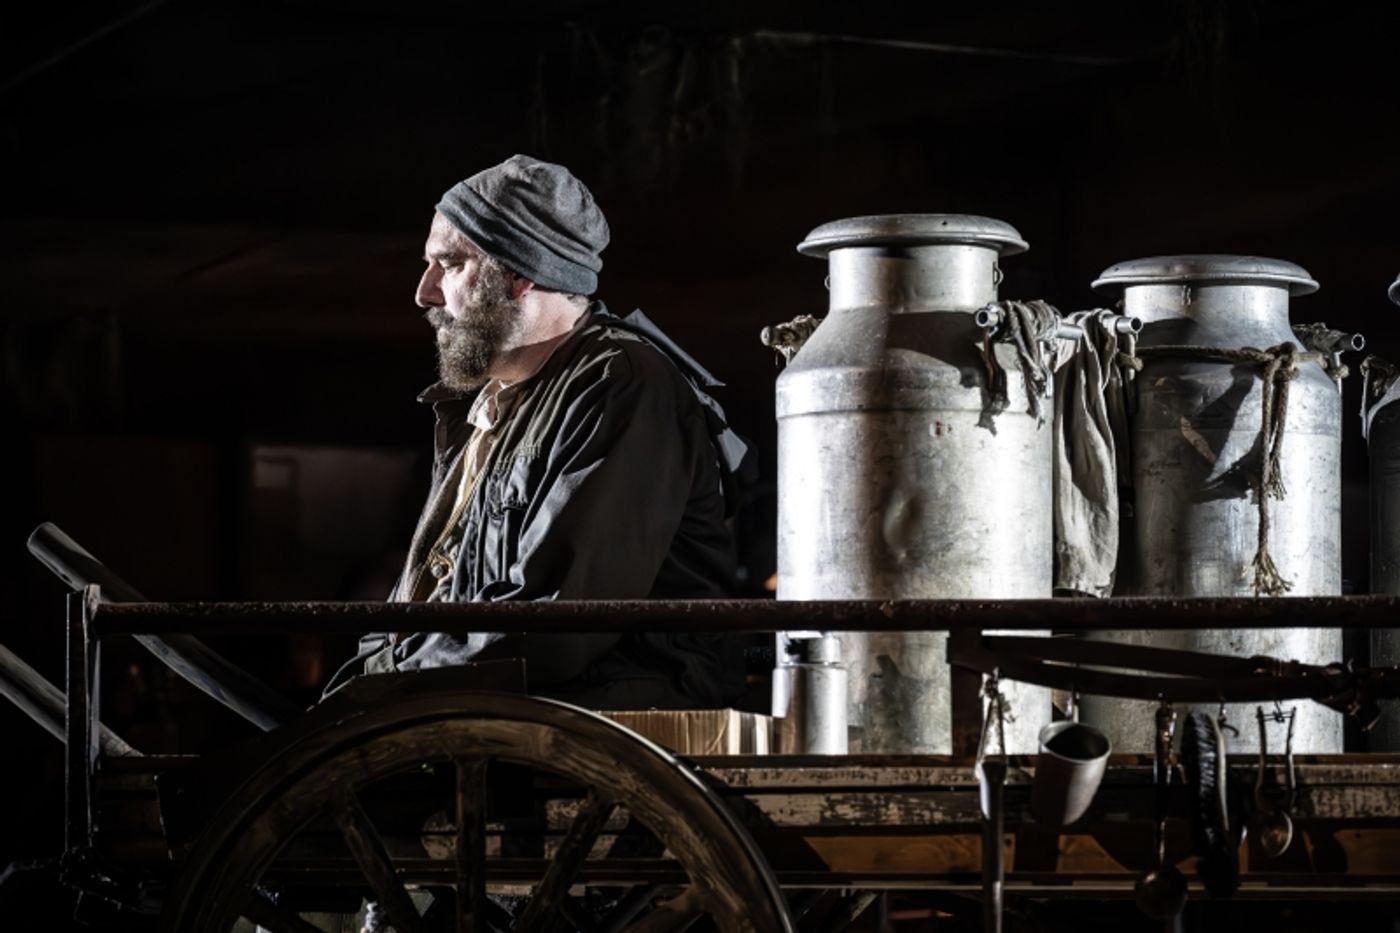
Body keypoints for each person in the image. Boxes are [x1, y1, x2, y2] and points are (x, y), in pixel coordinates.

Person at [326, 155, 750, 709]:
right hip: (495, 714)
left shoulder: (618, 384)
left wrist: (383, 691)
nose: (424, 292)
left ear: (518, 271)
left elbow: (552, 624)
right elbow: (429, 599)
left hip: (595, 728)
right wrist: (361, 684)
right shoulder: (494, 407)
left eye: (449, 265)